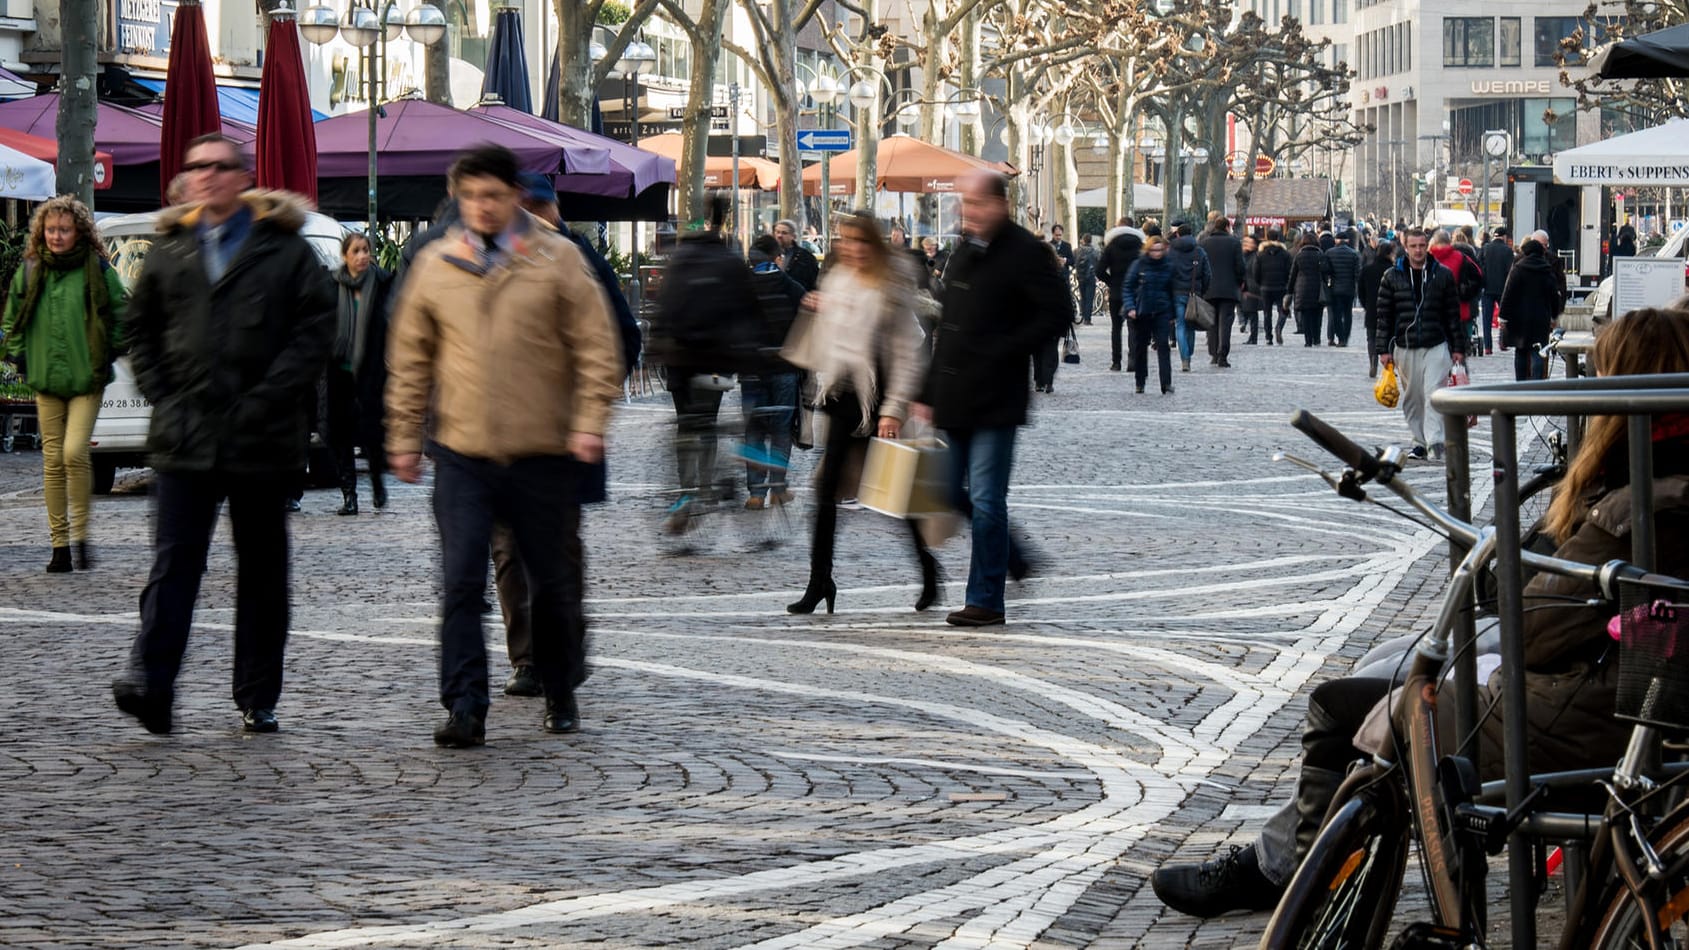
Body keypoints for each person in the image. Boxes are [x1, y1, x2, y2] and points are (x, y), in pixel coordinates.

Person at [1150, 306, 1689, 918]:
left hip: (1594, 715)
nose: (1585, 395)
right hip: (1607, 690)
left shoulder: (1642, 503)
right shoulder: (1643, 483)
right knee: (1389, 665)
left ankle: (1291, 873)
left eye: (1598, 378)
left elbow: (1530, 634)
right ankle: (1292, 861)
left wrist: (1536, 558)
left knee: (1367, 701)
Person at [385, 144, 624, 747]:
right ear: (457, 200)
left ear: (515, 195)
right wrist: (404, 435)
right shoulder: (437, 265)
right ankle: (465, 704)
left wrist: (590, 422)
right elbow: (411, 359)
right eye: (470, 197)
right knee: (461, 580)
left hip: (542, 448)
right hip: (463, 451)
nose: (482, 207)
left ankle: (561, 686)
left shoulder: (559, 258)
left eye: (492, 195)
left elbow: (598, 348)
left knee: (550, 581)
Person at [111, 133, 336, 736]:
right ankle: (152, 685)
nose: (206, 176)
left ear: (242, 177)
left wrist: (269, 397)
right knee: (173, 566)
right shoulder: (170, 251)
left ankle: (257, 694)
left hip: (262, 439)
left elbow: (315, 332)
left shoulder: (284, 252)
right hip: (185, 436)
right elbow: (140, 331)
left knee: (262, 571)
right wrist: (164, 393)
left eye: (218, 167)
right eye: (195, 168)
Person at [493, 172, 641, 700]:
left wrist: (590, 404)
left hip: (562, 432)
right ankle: (528, 659)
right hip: (501, 433)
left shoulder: (580, 259)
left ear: (549, 208)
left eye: (533, 206)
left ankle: (565, 649)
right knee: (508, 548)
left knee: (557, 550)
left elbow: (623, 337)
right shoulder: (488, 257)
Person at [916, 170, 1070, 627]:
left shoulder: (1025, 251)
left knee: (986, 498)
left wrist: (1004, 348)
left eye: (977, 204)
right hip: (954, 394)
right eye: (965, 204)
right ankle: (1014, 554)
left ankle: (985, 600)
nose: (968, 212)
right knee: (943, 490)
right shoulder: (964, 251)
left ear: (1000, 204)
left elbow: (1057, 313)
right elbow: (947, 329)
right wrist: (926, 392)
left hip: (996, 396)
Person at [781, 211, 935, 616]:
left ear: (875, 244)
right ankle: (820, 580)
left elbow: (906, 354)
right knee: (826, 492)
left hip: (877, 402)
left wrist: (894, 409)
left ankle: (929, 570)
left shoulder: (890, 287)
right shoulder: (836, 279)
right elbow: (830, 341)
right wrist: (818, 309)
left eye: (860, 241)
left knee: (894, 492)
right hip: (842, 397)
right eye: (846, 241)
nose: (852, 248)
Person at [1, 196, 128, 572]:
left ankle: (81, 535)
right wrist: (20, 355)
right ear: (42, 230)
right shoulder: (31, 270)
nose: (57, 236)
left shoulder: (99, 269)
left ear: (79, 232)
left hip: (87, 376)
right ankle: (61, 546)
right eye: (51, 229)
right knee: (52, 462)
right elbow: (12, 320)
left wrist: (109, 350)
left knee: (74, 453)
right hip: (45, 376)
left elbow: (122, 314)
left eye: (64, 230)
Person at [649, 199, 760, 531]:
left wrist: (656, 347)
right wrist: (751, 355)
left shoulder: (679, 260)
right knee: (708, 424)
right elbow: (749, 310)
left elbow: (663, 306)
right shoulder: (730, 261)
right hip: (717, 360)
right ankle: (707, 487)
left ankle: (685, 492)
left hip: (679, 359)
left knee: (685, 425)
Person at [1375, 228, 1466, 461]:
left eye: (1422, 246)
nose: (1418, 250)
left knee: (1433, 393)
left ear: (1428, 246)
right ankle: (1419, 442)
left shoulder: (1441, 275)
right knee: (1413, 398)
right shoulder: (1392, 276)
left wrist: (1458, 348)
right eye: (1413, 246)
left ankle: (1435, 440)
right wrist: (1382, 349)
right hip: (1405, 346)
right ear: (1406, 248)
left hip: (1435, 343)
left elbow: (1452, 314)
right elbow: (1384, 315)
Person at [325, 232, 393, 516]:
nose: (363, 256)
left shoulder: (382, 283)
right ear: (345, 256)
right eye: (356, 251)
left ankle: (377, 482)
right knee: (339, 434)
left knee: (372, 433)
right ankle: (349, 496)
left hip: (371, 371)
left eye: (366, 250)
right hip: (338, 371)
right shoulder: (330, 286)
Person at [741, 233, 804, 508]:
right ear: (777, 258)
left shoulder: (742, 286)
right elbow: (806, 318)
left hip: (752, 369)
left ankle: (756, 493)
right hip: (784, 366)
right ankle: (778, 488)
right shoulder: (789, 285)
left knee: (754, 430)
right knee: (781, 429)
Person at [1498, 237, 1564, 381]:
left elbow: (1508, 293)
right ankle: (1537, 383)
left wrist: (1503, 317)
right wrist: (1554, 316)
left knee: (1521, 351)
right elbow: (1554, 295)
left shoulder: (1518, 269)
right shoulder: (1547, 270)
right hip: (1541, 318)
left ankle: (1520, 383)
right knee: (1538, 351)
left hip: (1519, 319)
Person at [1121, 236, 1178, 395]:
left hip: (1162, 310)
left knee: (1163, 346)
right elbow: (1128, 287)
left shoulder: (1168, 266)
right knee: (1140, 348)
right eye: (1153, 250)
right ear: (1148, 249)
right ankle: (1140, 381)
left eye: (1160, 250)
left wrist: (1173, 312)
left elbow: (1172, 290)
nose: (1157, 253)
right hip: (1142, 311)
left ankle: (1166, 383)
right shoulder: (1139, 265)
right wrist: (1131, 307)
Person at [1098, 217, 1146, 372]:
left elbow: (1099, 270)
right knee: (1134, 327)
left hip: (1116, 292)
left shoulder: (1111, 247)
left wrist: (1111, 281)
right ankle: (1133, 360)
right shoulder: (1140, 246)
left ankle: (1116, 361)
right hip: (1134, 292)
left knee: (1116, 328)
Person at [1197, 217, 1244, 368]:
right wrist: (1240, 281)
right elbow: (1240, 267)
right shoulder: (1234, 243)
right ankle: (1223, 354)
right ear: (1227, 227)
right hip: (1229, 289)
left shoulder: (1204, 243)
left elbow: (1200, 267)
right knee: (1226, 323)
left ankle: (1213, 354)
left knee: (1212, 322)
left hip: (1209, 288)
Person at [1167, 223, 1211, 372]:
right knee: (1190, 324)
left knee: (1180, 325)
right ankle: (1189, 354)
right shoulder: (1199, 251)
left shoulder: (1171, 251)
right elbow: (1207, 274)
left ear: (1178, 234)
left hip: (1177, 292)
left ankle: (1184, 358)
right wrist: (1202, 291)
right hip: (1194, 292)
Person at [1286, 231, 1331, 347]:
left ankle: (1308, 340)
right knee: (1317, 315)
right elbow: (1326, 271)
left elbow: (1293, 274)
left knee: (1306, 316)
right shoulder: (1320, 254)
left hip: (1302, 289)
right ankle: (1317, 338)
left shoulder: (1299, 256)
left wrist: (1290, 290)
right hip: (1317, 289)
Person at [1358, 240, 1395, 378]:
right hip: (1391, 308)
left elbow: (1360, 290)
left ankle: (1373, 361)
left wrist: (1365, 304)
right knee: (1390, 337)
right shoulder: (1393, 270)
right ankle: (1389, 366)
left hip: (1372, 308)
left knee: (1371, 338)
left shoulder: (1367, 269)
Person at [1249, 229, 1293, 345]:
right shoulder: (1285, 254)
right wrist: (1286, 283)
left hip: (1265, 287)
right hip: (1281, 286)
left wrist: (1260, 283)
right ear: (1278, 238)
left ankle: (1269, 337)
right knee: (1282, 310)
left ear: (1267, 238)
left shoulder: (1260, 254)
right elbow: (1290, 271)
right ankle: (1279, 327)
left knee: (1267, 312)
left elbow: (1255, 272)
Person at [1478, 226, 1514, 357]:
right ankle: (1503, 341)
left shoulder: (1485, 249)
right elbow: (1510, 271)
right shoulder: (1507, 251)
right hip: (1503, 289)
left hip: (1487, 289)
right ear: (1504, 237)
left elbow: (1478, 267)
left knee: (1486, 320)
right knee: (1505, 317)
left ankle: (1488, 347)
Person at [1323, 230, 1361, 348]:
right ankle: (1346, 336)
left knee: (1336, 315)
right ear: (1347, 241)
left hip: (1335, 289)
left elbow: (1325, 270)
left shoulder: (1329, 253)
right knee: (1348, 314)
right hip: (1349, 289)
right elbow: (1357, 273)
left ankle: (1340, 338)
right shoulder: (1354, 254)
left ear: (1336, 240)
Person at [774, 218, 820, 291]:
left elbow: (814, 282)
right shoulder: (768, 254)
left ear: (793, 236)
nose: (779, 235)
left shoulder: (805, 257)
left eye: (784, 233)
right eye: (777, 232)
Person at [1239, 234, 1263, 344]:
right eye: (1245, 242)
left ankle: (1253, 337)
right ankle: (1252, 336)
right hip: (1245, 286)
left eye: (1249, 243)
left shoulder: (1256, 256)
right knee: (1248, 311)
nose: (1246, 245)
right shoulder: (1243, 255)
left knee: (1252, 313)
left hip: (1252, 287)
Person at [1075, 234, 1098, 326]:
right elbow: (1098, 263)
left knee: (1083, 297)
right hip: (1091, 276)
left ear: (1083, 240)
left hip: (1080, 277)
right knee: (1089, 298)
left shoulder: (1077, 251)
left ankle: (1083, 315)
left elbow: (1074, 262)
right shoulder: (1095, 251)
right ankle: (1087, 319)